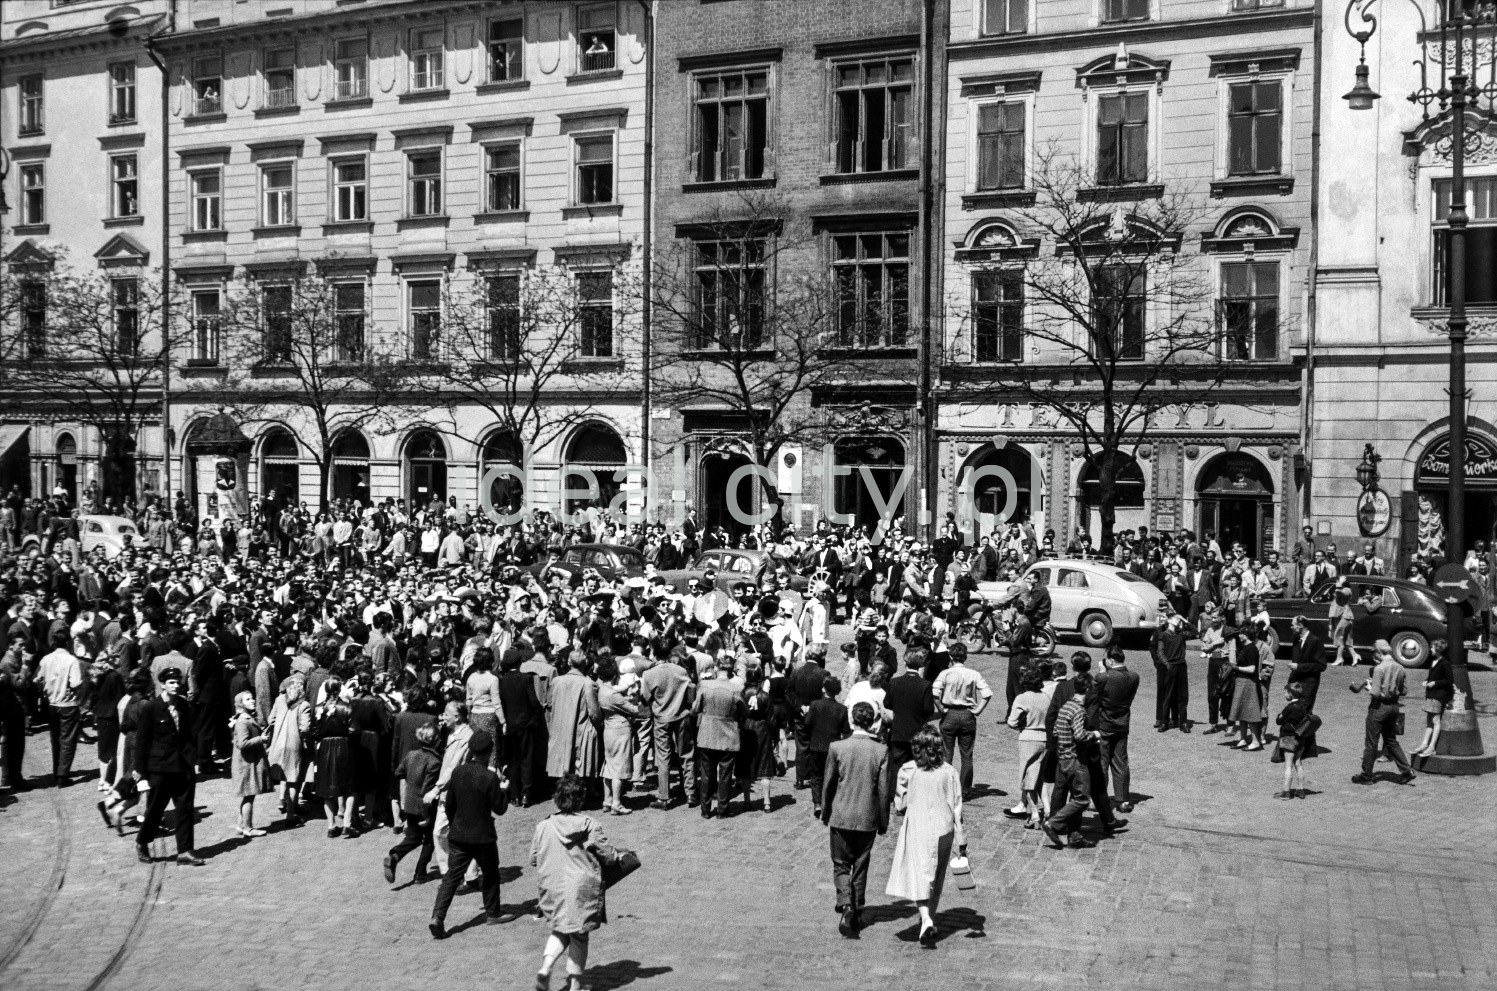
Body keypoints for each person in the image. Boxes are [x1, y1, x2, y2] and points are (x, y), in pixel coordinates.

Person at [531, 774, 618, 991]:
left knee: (560, 930)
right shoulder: (590, 825)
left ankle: (546, 966)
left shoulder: (544, 826)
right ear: (581, 799)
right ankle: (575, 985)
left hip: (552, 887)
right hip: (580, 888)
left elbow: (533, 858)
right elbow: (607, 855)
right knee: (579, 936)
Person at [885, 724, 965, 949]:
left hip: (919, 827)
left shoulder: (908, 770)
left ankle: (926, 918)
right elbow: (957, 806)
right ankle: (928, 919)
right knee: (936, 877)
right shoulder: (949, 771)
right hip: (944, 828)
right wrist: (962, 839)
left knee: (920, 874)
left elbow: (899, 804)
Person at [429, 729, 514, 939]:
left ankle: (437, 917)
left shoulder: (458, 773)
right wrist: (504, 788)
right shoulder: (489, 777)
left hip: (459, 835)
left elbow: (450, 806)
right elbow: (500, 809)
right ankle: (492, 913)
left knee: (451, 877)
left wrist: (456, 823)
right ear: (488, 752)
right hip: (483, 836)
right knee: (491, 874)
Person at [820, 701, 889, 938]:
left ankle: (846, 904)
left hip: (841, 814)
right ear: (872, 722)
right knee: (861, 864)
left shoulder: (837, 747)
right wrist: (883, 820)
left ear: (852, 720)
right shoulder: (880, 750)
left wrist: (825, 810)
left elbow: (828, 783)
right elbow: (883, 790)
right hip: (867, 816)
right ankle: (857, 907)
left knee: (840, 863)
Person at [132, 666, 204, 866]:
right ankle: (142, 841)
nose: (175, 686)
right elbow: (141, 742)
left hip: (183, 767)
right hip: (160, 768)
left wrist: (192, 758)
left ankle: (185, 851)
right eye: (171, 682)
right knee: (155, 810)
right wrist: (141, 771)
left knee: (185, 810)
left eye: (177, 682)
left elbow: (190, 732)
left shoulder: (184, 705)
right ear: (162, 685)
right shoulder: (151, 708)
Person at [929, 642, 990, 799]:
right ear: (965, 657)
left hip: (949, 714)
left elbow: (935, 693)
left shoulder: (945, 674)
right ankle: (964, 789)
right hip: (967, 715)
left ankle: (947, 786)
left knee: (947, 753)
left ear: (950, 656)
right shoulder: (974, 674)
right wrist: (978, 710)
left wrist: (941, 708)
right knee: (967, 754)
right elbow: (987, 693)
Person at [1351, 639, 1415, 784]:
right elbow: (1404, 691)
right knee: (1391, 741)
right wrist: (1392, 689)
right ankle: (1407, 770)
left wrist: (1369, 687)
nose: (1375, 656)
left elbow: (1374, 693)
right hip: (1394, 707)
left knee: (1371, 743)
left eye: (1375, 653)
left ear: (1379, 652)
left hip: (1379, 708)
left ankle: (1366, 775)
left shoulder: (1379, 669)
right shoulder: (1401, 667)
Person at [386, 721, 442, 885]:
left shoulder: (411, 755)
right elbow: (426, 791)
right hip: (423, 806)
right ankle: (419, 872)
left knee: (414, 837)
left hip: (409, 803)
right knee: (430, 839)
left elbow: (398, 773)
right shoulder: (435, 762)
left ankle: (395, 856)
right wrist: (426, 815)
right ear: (437, 740)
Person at [693, 654, 746, 819]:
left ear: (717, 668)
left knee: (706, 774)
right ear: (731, 671)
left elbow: (696, 708)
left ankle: (705, 809)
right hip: (728, 734)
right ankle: (722, 809)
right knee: (725, 774)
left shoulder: (705, 685)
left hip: (708, 732)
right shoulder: (736, 689)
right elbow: (744, 711)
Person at [34, 627, 84, 785]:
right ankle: (63, 775)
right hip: (68, 704)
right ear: (68, 643)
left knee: (55, 739)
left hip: (51, 703)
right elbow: (75, 682)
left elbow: (37, 679)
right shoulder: (71, 660)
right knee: (67, 740)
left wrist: (46, 689)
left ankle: (57, 771)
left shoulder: (46, 659)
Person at [1094, 645, 1139, 814]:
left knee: (1102, 762)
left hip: (1104, 723)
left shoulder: (1103, 678)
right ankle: (1123, 799)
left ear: (1110, 660)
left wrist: (1101, 672)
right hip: (1122, 723)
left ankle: (1101, 799)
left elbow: (1093, 696)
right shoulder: (1134, 677)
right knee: (1121, 761)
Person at [596, 655, 643, 815]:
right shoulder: (613, 695)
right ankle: (617, 802)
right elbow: (634, 710)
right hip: (621, 731)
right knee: (619, 768)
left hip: (608, 729)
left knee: (609, 766)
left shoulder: (602, 689)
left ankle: (607, 800)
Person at [1005, 667, 1049, 828]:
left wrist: (1021, 725)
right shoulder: (1046, 697)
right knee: (1040, 778)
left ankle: (1035, 814)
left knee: (1028, 779)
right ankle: (1049, 810)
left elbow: (1012, 722)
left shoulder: (1022, 698)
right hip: (1045, 739)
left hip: (1028, 739)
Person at [314, 675, 357, 837]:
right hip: (343, 747)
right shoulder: (346, 707)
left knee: (327, 788)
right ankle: (347, 823)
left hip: (324, 748)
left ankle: (331, 826)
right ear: (339, 689)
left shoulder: (318, 708)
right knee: (349, 787)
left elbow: (314, 731)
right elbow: (354, 730)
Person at [802, 676, 848, 817]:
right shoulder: (841, 709)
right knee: (832, 776)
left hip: (816, 745)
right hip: (833, 747)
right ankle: (829, 802)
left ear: (823, 689)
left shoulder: (815, 705)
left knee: (816, 776)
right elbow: (846, 730)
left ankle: (817, 803)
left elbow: (807, 724)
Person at [230, 690, 272, 837]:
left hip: (247, 764)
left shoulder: (245, 718)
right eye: (248, 699)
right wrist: (261, 739)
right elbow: (243, 744)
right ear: (241, 704)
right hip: (246, 765)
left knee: (248, 795)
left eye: (252, 698)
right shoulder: (243, 721)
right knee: (249, 795)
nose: (252, 701)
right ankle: (248, 828)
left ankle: (241, 825)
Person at [1272, 683, 1317, 799]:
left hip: (1288, 737)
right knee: (1298, 763)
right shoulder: (1304, 706)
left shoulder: (1289, 708)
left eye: (1285, 692)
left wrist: (1280, 715)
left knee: (1288, 765)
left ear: (1290, 694)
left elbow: (1278, 720)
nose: (1284, 694)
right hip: (1300, 738)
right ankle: (1300, 790)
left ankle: (1286, 792)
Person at [1411, 639, 1454, 758]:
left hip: (1438, 695)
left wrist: (1434, 683)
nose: (1430, 649)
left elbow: (1448, 681)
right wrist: (1427, 681)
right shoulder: (1434, 661)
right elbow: (1433, 677)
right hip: (1431, 694)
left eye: (1432, 647)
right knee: (1429, 721)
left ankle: (1431, 746)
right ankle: (1425, 744)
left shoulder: (1445, 663)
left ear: (1439, 649)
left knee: (1435, 721)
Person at [1227, 628, 1265, 751]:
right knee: (1241, 712)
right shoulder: (1243, 646)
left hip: (1249, 683)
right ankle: (1243, 739)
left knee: (1250, 713)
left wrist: (1236, 668)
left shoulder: (1252, 649)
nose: (1239, 635)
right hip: (1241, 682)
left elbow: (1252, 669)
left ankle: (1255, 741)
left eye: (1241, 633)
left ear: (1247, 635)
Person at [1286, 614, 1327, 712]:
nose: (1291, 627)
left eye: (1293, 625)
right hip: (1296, 685)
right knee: (1293, 713)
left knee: (1303, 714)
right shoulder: (1296, 641)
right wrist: (1288, 687)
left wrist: (1299, 667)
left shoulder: (1315, 641)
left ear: (1300, 625)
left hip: (1308, 685)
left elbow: (1321, 665)